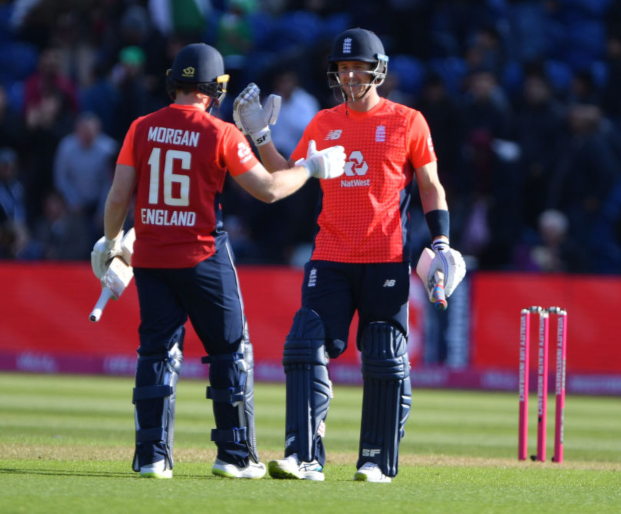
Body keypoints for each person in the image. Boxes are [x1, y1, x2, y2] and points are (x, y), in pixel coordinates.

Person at [91, 43, 346, 480]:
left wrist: (111, 241)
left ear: (176, 82)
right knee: (231, 351)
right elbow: (267, 190)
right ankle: (234, 454)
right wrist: (311, 168)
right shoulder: (221, 133)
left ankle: (152, 456)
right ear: (214, 89)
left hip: (150, 257)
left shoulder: (141, 127)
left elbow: (118, 196)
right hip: (203, 254)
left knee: (157, 351)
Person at [233, 28, 466, 483]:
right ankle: (304, 456)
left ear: (378, 70)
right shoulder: (323, 123)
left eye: (358, 67)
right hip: (331, 255)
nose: (350, 76)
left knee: (383, 355)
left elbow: (430, 185)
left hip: (385, 257)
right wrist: (260, 135)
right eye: (343, 68)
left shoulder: (408, 121)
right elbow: (286, 176)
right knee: (305, 345)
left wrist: (441, 242)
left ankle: (376, 459)